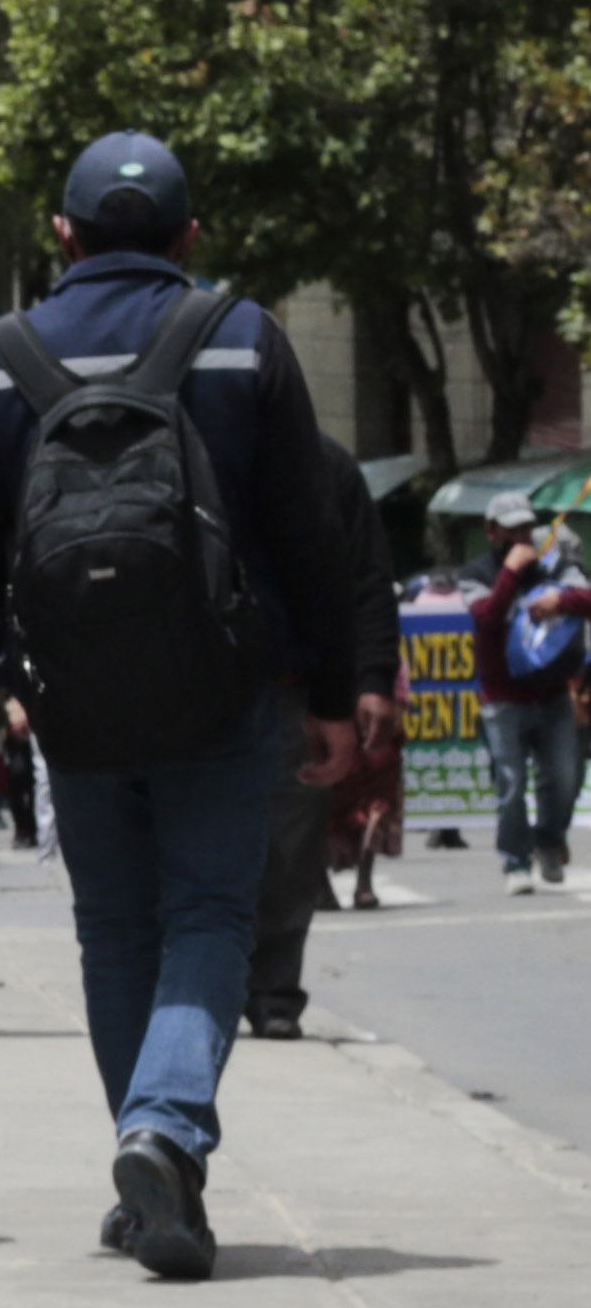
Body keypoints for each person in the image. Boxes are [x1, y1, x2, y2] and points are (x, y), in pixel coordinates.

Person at [0, 134, 368, 1283]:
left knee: (114, 927)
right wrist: (331, 693)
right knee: (209, 916)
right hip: (223, 691)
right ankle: (162, 1132)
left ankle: (148, 1158)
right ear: (187, 237)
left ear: (60, 235)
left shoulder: (2, 355)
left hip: (73, 698)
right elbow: (307, 534)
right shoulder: (240, 336)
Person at [245, 439, 403, 1038]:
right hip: (194, 685)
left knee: (290, 847)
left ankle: (273, 991)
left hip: (295, 687)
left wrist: (373, 678)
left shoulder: (323, 465)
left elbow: (368, 577)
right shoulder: (179, 437)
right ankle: (199, 980)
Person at [466, 494, 587, 893]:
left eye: (525, 528)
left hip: (552, 694)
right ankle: (515, 861)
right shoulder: (475, 574)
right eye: (510, 529)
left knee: (564, 778)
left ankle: (548, 842)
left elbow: (587, 596)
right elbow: (485, 618)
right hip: (503, 699)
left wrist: (560, 601)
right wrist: (510, 574)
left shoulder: (554, 565)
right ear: (491, 531)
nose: (520, 537)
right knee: (511, 783)